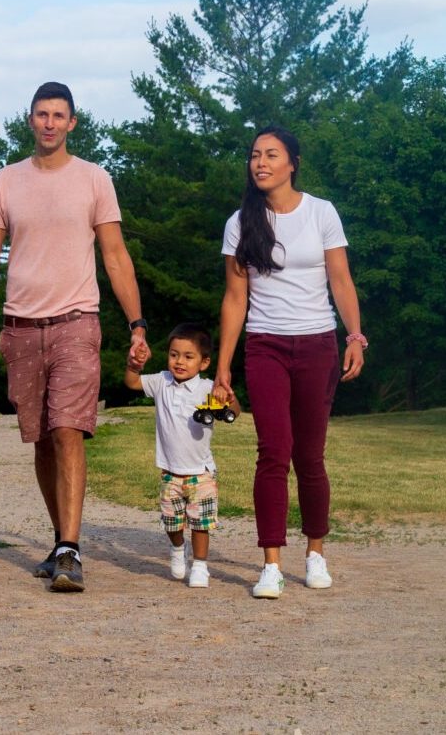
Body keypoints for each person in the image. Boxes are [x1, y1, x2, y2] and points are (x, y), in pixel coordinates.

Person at [0, 81, 151, 593]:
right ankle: (61, 540)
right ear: (30, 120)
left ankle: (70, 548)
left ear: (72, 122)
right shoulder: (4, 181)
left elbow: (114, 254)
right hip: (20, 327)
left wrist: (137, 323)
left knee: (68, 429)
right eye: (41, 114)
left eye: (58, 115)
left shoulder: (93, 179)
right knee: (43, 438)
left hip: (76, 321)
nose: (49, 123)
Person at [211, 125, 365, 600]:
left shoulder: (321, 212)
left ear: (292, 162)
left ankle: (315, 553)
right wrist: (222, 368)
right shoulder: (240, 223)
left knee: (310, 456)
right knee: (273, 453)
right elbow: (236, 298)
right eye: (254, 155)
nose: (260, 162)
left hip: (317, 345)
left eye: (271, 155)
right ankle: (271, 564)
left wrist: (354, 335)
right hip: (265, 347)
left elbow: (340, 279)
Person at [124, 323, 227, 589]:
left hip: (201, 471)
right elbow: (132, 382)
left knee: (201, 523)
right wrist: (134, 365)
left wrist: (225, 394)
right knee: (172, 521)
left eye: (188, 356)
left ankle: (201, 566)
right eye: (174, 354)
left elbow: (233, 410)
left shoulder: (207, 387)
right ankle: (178, 549)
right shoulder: (161, 382)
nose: (179, 361)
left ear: (204, 362)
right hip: (170, 470)